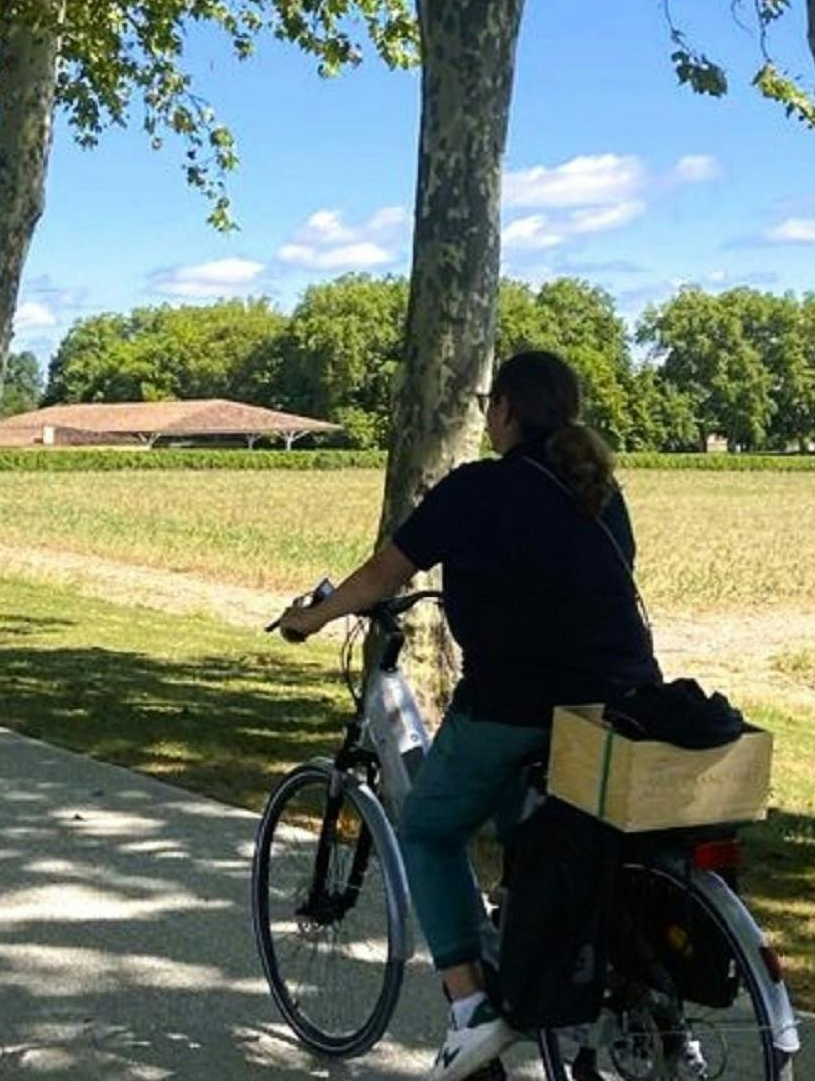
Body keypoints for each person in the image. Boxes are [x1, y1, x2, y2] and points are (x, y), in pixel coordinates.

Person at [274, 349, 661, 1081]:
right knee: (552, 838)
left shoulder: (476, 488)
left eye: (491, 406)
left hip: (515, 705)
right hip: (621, 705)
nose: (487, 416)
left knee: (429, 829)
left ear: (507, 410)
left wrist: (314, 616)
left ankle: (470, 1011)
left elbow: (386, 573)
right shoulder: (600, 490)